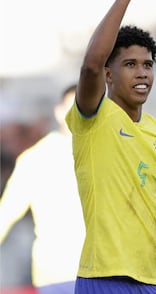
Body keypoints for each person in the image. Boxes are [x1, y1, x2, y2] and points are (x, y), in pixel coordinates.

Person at [65, 0, 156, 292]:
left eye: (147, 65)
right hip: (104, 278)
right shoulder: (94, 116)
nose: (142, 73)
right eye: (130, 65)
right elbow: (89, 64)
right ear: (109, 74)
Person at [0, 85, 85, 294]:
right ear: (59, 111)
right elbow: (7, 212)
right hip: (58, 273)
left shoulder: (112, 155)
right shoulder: (37, 158)